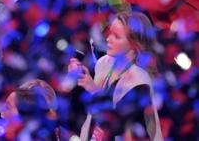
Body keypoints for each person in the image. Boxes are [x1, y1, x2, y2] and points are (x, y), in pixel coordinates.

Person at [68, 12, 163, 141]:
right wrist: (82, 77)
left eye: (116, 36)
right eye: (110, 33)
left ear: (134, 44)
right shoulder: (104, 63)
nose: (108, 39)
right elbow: (95, 112)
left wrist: (91, 88)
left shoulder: (140, 78)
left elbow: (117, 119)